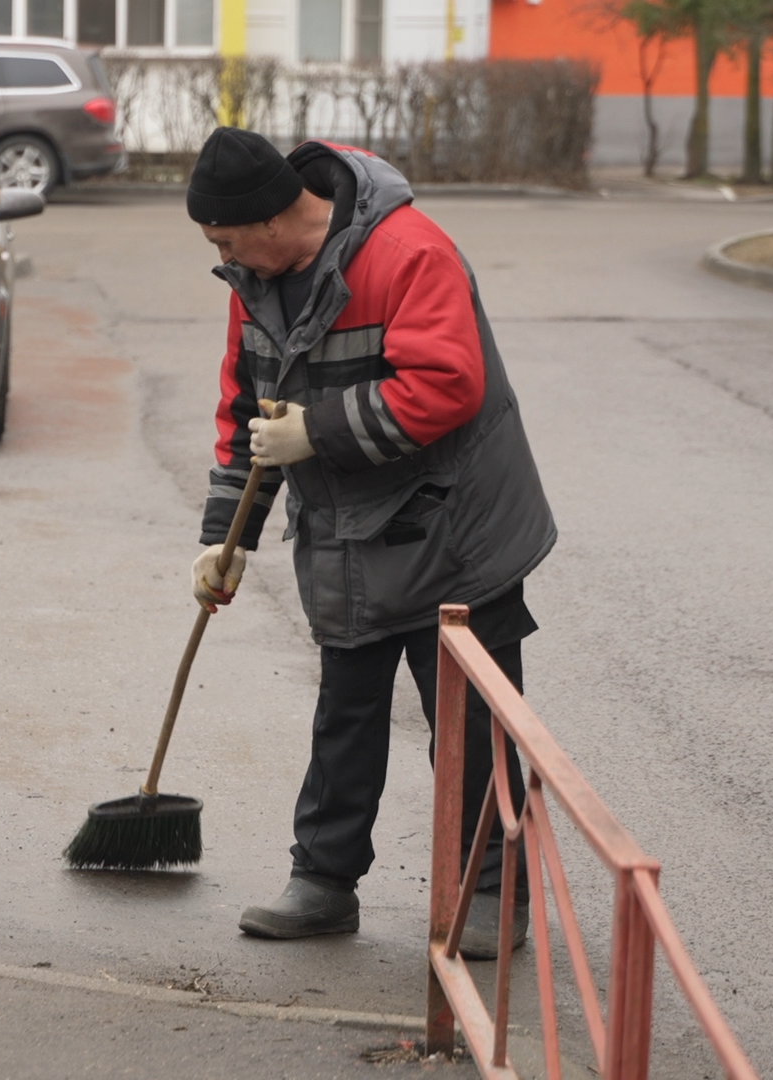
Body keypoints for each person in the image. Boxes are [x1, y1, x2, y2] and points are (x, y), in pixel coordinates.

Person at [184, 128, 555, 959]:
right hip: (350, 534)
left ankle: (493, 896)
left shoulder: (408, 252)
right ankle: (323, 881)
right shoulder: (256, 282)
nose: (220, 255)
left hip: (456, 532)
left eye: (224, 238)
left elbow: (448, 386)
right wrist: (226, 542)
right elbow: (247, 413)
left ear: (273, 221)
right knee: (344, 715)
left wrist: (314, 431)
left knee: (471, 728)